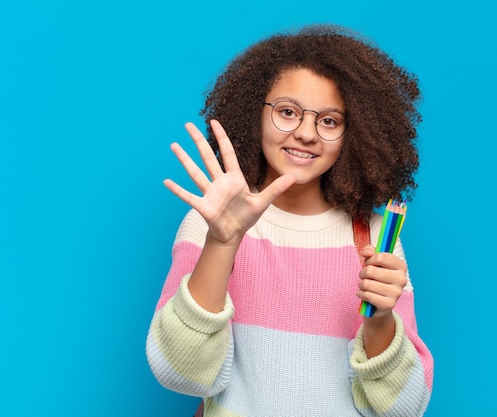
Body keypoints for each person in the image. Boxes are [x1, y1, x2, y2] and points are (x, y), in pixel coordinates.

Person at [146, 24, 434, 416]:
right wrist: (222, 243)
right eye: (287, 112)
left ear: (356, 133)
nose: (305, 134)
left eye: (329, 121)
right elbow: (181, 375)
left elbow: (402, 409)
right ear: (254, 114)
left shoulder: (374, 236)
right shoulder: (210, 224)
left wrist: (382, 318)